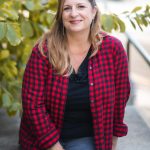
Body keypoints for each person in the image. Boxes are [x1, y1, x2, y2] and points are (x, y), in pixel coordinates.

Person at [19, 0, 130, 150]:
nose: (73, 13)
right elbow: (32, 104)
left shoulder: (112, 49)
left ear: (93, 12)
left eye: (80, 6)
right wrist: (54, 146)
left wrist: (112, 141)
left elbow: (120, 98)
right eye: (67, 8)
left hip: (86, 138)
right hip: (41, 140)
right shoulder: (43, 51)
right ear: (61, 15)